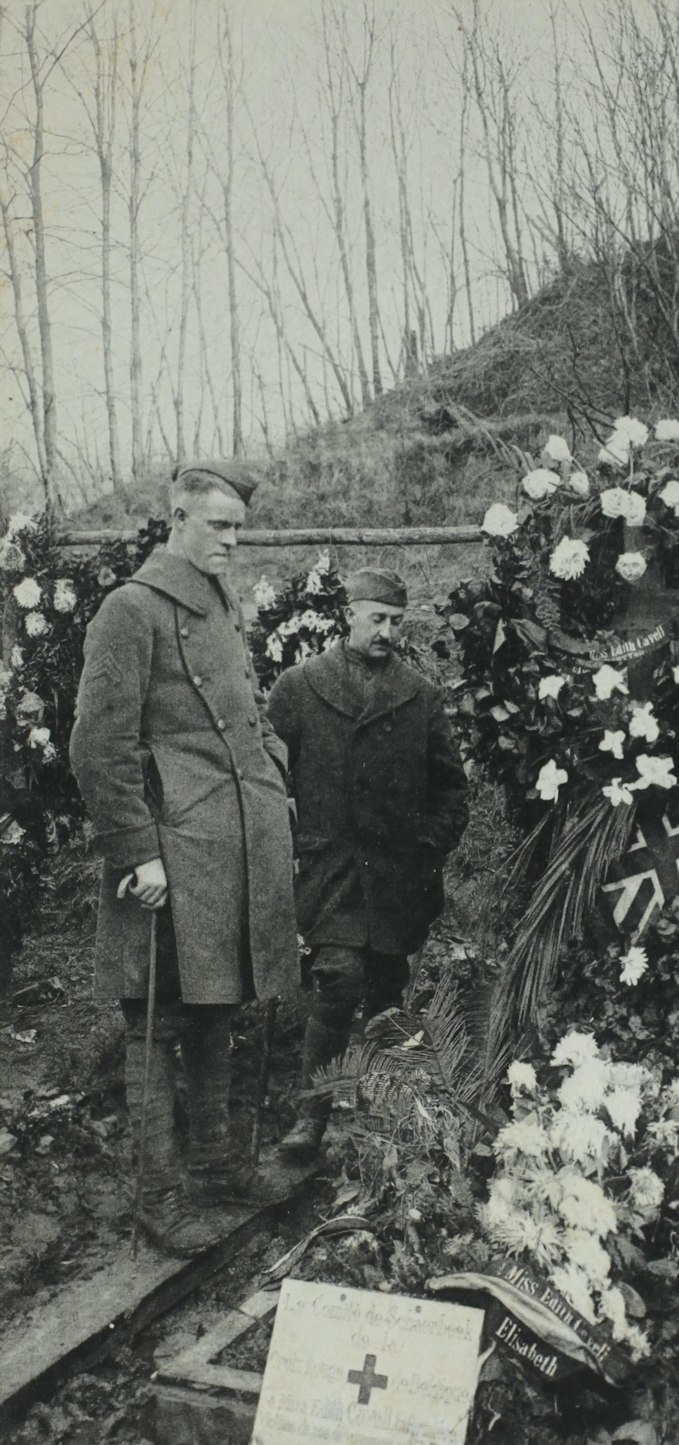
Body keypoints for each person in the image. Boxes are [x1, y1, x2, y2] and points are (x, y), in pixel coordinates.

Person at [69, 461, 300, 1256]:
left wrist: (276, 779)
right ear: (177, 517)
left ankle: (219, 1166)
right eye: (220, 525)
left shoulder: (219, 598)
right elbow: (98, 745)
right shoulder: (129, 610)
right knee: (156, 1024)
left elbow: (249, 708)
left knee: (218, 1012)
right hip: (170, 856)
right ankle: (159, 1198)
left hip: (231, 848)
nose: (234, 539)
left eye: (240, 526)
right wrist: (138, 853)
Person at [267, 567, 469, 1158]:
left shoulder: (420, 696)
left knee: (386, 990)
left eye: (396, 622)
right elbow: (267, 779)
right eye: (376, 619)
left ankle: (386, 1114)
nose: (386, 631)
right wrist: (287, 841)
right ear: (348, 615)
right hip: (330, 869)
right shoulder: (300, 687)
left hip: (397, 874)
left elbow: (452, 792)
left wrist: (425, 851)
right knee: (337, 979)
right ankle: (311, 1114)